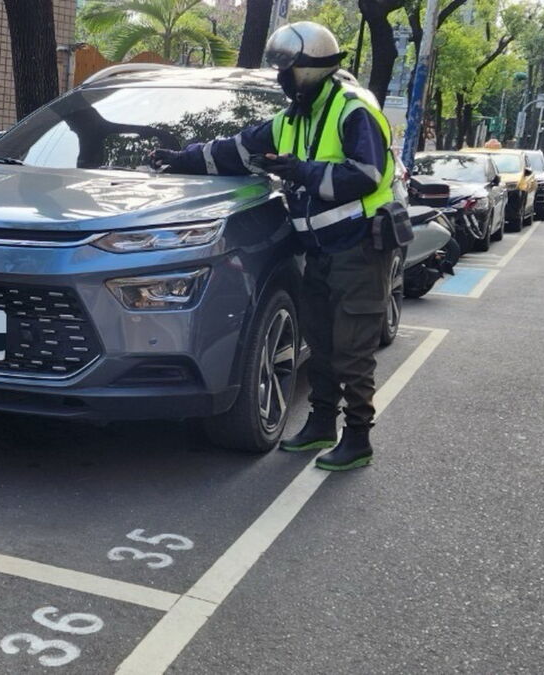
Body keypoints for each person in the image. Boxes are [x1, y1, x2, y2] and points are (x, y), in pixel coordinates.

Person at [150, 22, 398, 471]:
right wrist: (180, 158)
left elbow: (367, 174)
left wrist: (301, 171)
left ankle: (358, 438)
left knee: (352, 350)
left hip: (359, 248)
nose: (283, 79)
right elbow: (236, 149)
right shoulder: (292, 120)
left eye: (289, 70)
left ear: (313, 69)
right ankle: (322, 423)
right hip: (320, 250)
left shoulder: (353, 110)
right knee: (320, 343)